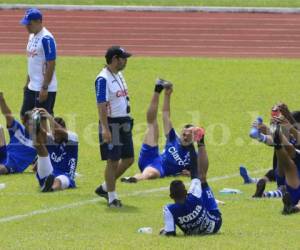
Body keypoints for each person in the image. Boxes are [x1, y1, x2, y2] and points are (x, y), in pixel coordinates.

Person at [121, 79, 203, 183]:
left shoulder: (193, 155)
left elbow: (200, 174)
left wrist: (190, 174)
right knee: (153, 125)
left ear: (194, 138)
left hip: (159, 168)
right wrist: (167, 95)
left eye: (191, 132)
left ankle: (134, 178)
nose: (186, 133)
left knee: (150, 174)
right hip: (151, 156)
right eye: (185, 130)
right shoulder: (173, 138)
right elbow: (165, 115)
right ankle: (157, 90)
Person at [94, 46, 134, 208]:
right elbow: (101, 105)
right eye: (123, 58)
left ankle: (105, 187)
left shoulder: (119, 75)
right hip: (111, 123)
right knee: (113, 161)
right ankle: (112, 197)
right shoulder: (102, 79)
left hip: (123, 121)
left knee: (129, 159)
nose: (125, 61)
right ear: (115, 59)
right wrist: (105, 128)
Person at [160, 135, 222, 236]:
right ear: (186, 192)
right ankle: (201, 142)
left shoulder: (169, 209)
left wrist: (164, 231)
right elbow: (194, 172)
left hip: (193, 232)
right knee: (202, 178)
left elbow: (170, 233)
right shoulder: (194, 195)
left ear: (171, 196)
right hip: (215, 225)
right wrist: (190, 146)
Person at [20, 8, 57, 118]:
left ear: (38, 21)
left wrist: (44, 87)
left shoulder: (46, 39)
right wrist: (27, 83)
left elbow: (51, 63)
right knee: (25, 116)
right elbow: (32, 61)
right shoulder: (31, 36)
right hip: (32, 87)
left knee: (42, 123)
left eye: (29, 24)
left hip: (44, 89)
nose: (26, 26)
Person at [33, 108, 78, 192]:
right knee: (38, 144)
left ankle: (50, 188)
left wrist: (49, 117)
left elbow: (58, 130)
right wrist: (37, 120)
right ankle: (47, 184)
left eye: (57, 133)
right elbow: (40, 134)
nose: (54, 135)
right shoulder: (51, 138)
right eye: (53, 132)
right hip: (48, 173)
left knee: (60, 179)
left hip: (65, 175)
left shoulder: (73, 138)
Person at [0, 92, 36, 174]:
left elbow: (47, 155)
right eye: (30, 123)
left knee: (2, 169)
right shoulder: (18, 129)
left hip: (13, 165)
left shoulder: (40, 139)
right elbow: (8, 115)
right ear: (24, 122)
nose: (33, 126)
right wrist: (2, 100)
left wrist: (36, 167)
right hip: (4, 154)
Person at [272, 124, 300, 214]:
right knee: (289, 165)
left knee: (289, 165)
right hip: (289, 182)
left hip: (288, 183)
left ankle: (278, 146)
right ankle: (293, 208)